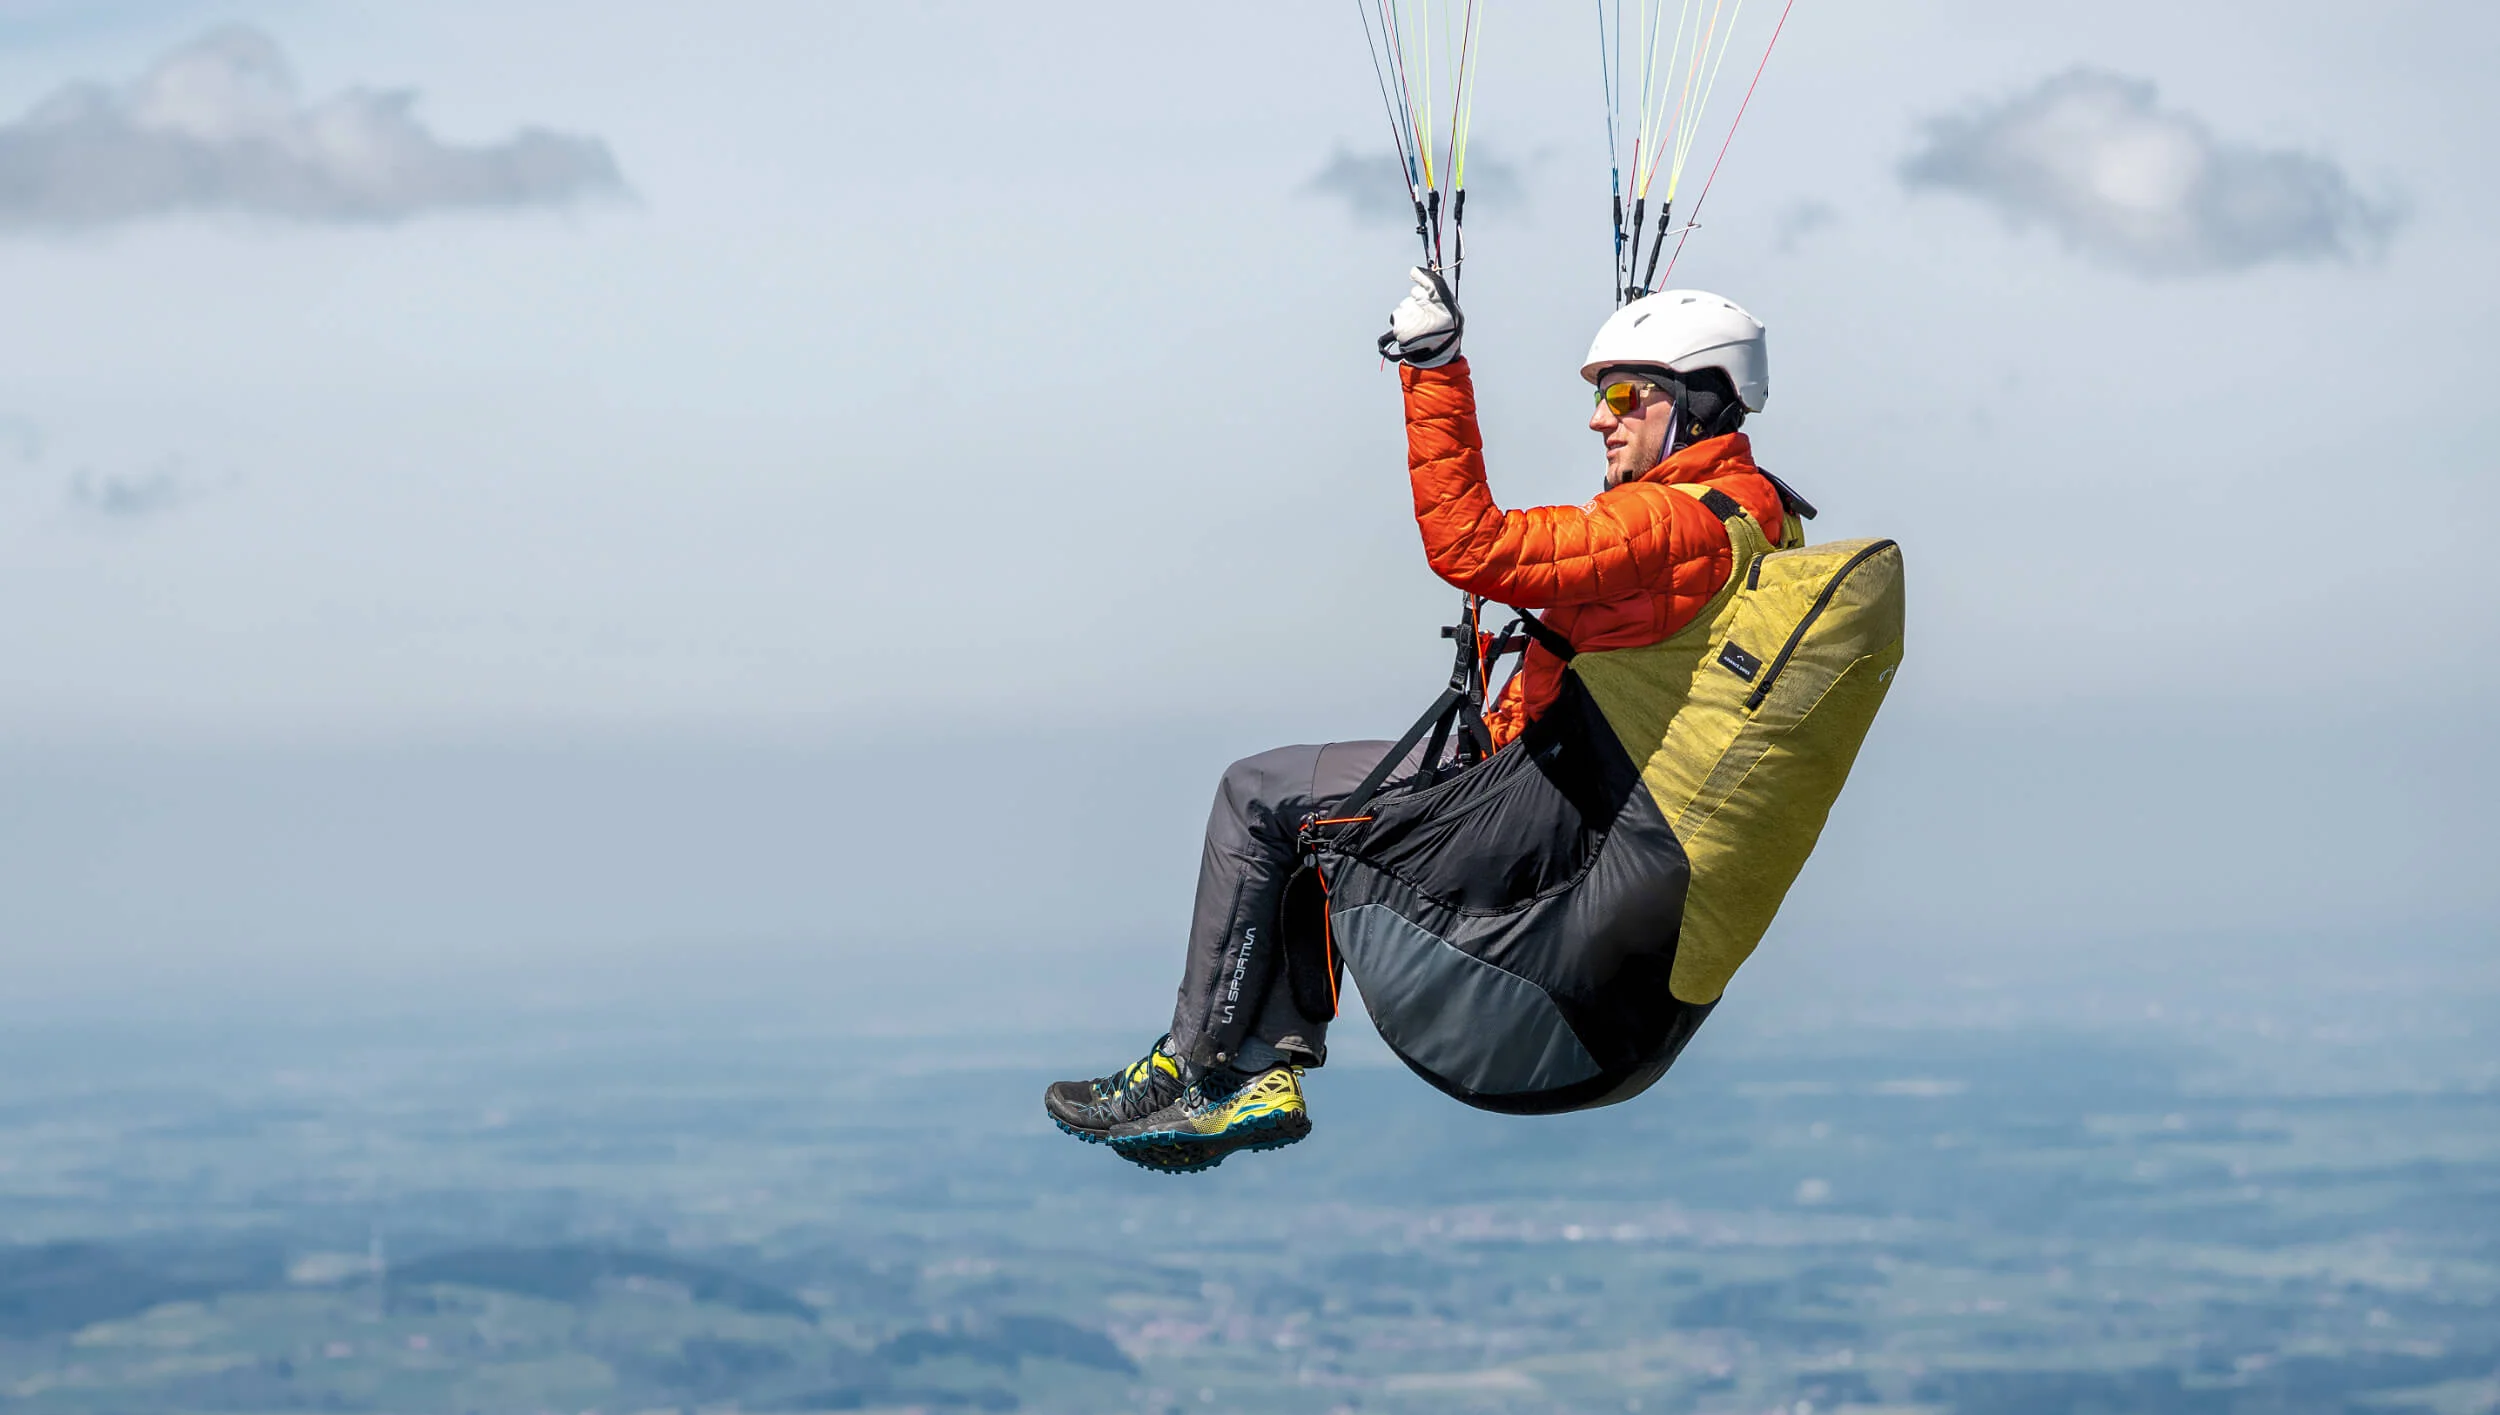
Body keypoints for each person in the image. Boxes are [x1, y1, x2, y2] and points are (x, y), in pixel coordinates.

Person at [1044, 269, 1793, 1173]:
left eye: (1627, 396)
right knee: (1306, 812)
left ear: (1700, 402)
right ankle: (1261, 1070)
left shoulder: (1670, 523)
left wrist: (1433, 368)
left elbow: (1470, 544)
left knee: (1259, 795)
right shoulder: (1751, 515)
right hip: (1557, 785)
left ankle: (1195, 1070)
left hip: (1533, 804)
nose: (1601, 419)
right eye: (1602, 397)